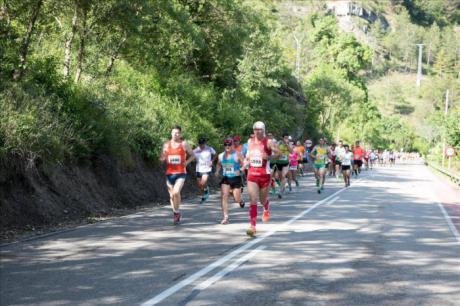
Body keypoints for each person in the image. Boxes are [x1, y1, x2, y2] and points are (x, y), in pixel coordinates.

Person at [244, 121, 279, 237]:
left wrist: (269, 157)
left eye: (260, 129)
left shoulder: (268, 142)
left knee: (262, 200)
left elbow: (278, 153)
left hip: (265, 175)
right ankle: (252, 226)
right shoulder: (250, 141)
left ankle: (266, 206)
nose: (257, 131)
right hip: (252, 175)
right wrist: (245, 163)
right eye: (255, 129)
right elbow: (248, 155)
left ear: (263, 130)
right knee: (253, 200)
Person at [160, 125, 195, 225]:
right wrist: (163, 156)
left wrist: (187, 162)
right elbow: (162, 158)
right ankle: (176, 213)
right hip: (169, 173)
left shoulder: (184, 144)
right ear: (171, 133)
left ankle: (177, 212)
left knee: (176, 192)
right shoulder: (166, 145)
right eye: (173, 132)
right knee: (171, 196)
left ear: (180, 134)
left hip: (181, 173)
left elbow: (193, 155)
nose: (175, 134)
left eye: (177, 133)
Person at [215, 138, 245, 224]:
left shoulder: (237, 154)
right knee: (224, 195)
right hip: (226, 178)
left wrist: (241, 169)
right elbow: (218, 164)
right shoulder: (221, 155)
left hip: (236, 179)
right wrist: (217, 171)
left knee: (236, 199)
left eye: (229, 144)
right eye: (226, 145)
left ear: (232, 145)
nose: (227, 146)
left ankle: (240, 201)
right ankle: (225, 217)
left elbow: (245, 162)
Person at [193, 137, 216, 204]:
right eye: (200, 144)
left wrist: (212, 161)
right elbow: (191, 156)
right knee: (200, 185)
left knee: (202, 182)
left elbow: (215, 154)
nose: (201, 145)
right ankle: (205, 191)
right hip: (198, 169)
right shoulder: (196, 150)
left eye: (202, 144)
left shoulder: (209, 148)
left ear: (205, 143)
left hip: (207, 168)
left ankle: (205, 195)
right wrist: (194, 159)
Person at [276, 133, 293, 199]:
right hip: (278, 162)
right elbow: (275, 150)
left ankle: (280, 192)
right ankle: (282, 186)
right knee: (279, 177)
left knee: (283, 175)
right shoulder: (279, 143)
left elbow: (291, 152)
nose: (286, 139)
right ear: (282, 138)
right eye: (285, 137)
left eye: (287, 137)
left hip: (286, 162)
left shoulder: (289, 144)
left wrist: (287, 145)